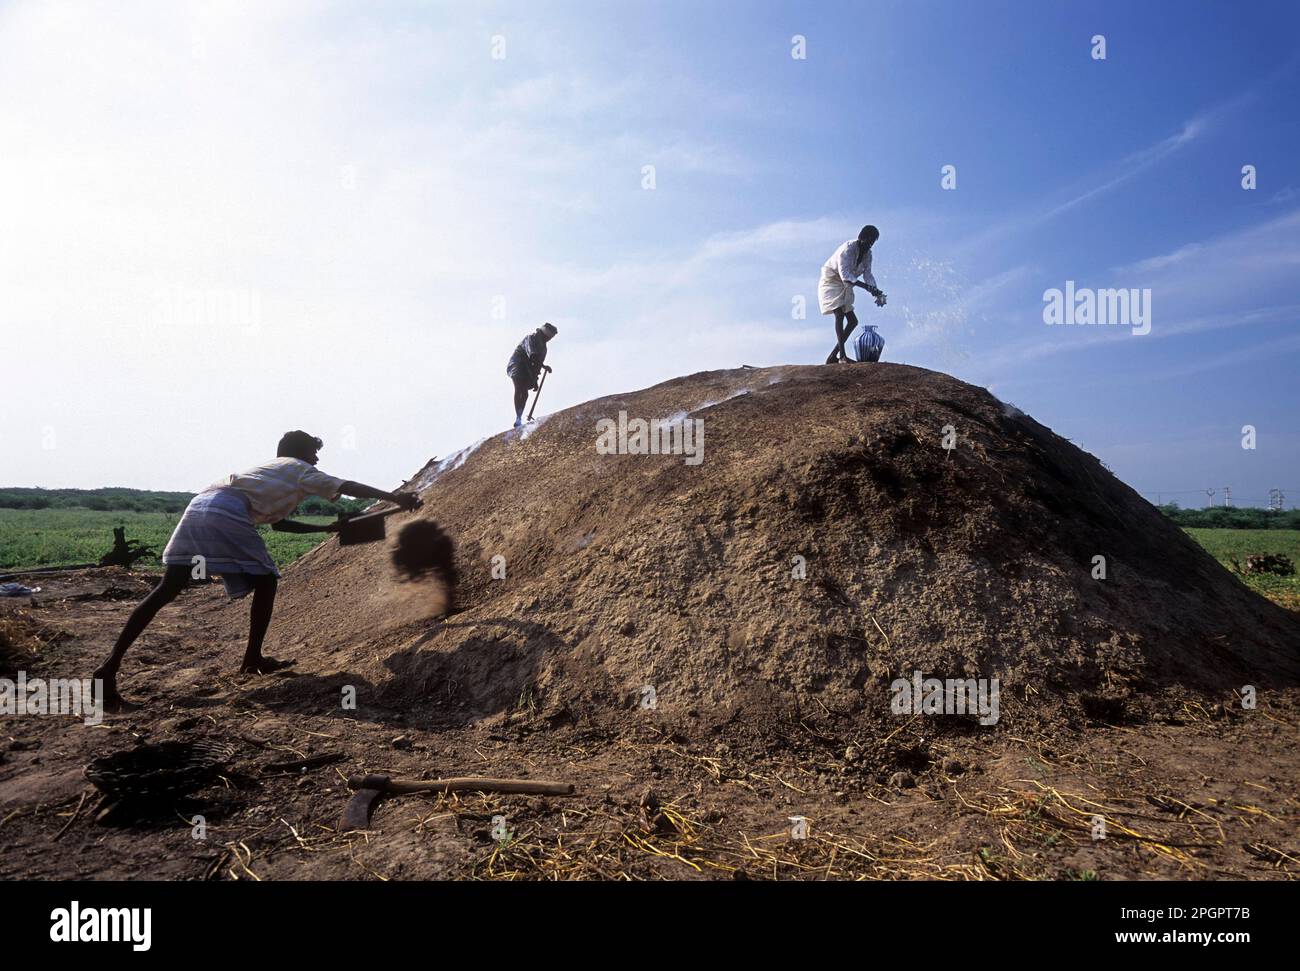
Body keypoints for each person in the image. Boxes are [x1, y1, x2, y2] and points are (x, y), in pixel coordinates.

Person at [92, 430, 419, 710]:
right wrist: (396, 497)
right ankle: (252, 659)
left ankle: (108, 669)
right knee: (266, 581)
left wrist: (326, 529)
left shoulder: (269, 472)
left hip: (201, 505)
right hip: (226, 510)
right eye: (313, 454)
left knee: (168, 588)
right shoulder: (297, 467)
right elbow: (347, 485)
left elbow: (280, 526)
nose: (316, 461)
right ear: (299, 453)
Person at [819, 225, 886, 364]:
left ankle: (832, 357)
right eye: (869, 241)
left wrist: (876, 291)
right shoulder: (848, 249)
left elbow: (868, 275)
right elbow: (846, 276)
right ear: (861, 238)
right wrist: (867, 288)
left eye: (873, 242)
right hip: (831, 280)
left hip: (846, 283)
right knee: (839, 313)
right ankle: (842, 356)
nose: (870, 245)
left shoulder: (868, 255)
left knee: (853, 322)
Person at [506, 322, 557, 428]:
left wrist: (535, 380)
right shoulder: (531, 338)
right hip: (518, 365)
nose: (548, 340)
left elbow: (536, 366)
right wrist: (543, 366)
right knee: (520, 389)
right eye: (547, 337)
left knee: (525, 394)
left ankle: (519, 417)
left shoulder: (544, 348)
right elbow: (532, 355)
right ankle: (518, 418)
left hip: (528, 369)